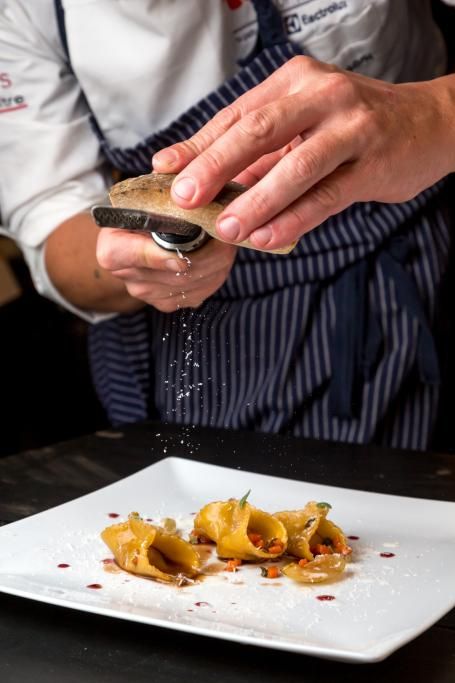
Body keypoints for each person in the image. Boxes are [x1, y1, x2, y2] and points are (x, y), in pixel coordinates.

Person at [1, 0, 454, 450]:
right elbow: (52, 222)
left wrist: (437, 115)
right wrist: (156, 251)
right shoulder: (20, 13)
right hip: (201, 336)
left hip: (414, 260)